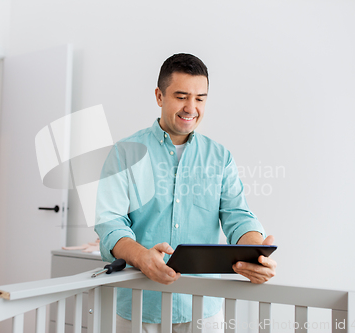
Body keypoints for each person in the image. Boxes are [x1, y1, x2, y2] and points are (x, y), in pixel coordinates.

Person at [94, 53, 276, 333]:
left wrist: (254, 252)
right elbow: (110, 222)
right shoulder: (124, 153)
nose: (191, 107)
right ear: (159, 96)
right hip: (139, 306)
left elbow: (237, 215)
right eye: (181, 96)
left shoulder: (220, 156)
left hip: (202, 309)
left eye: (200, 98)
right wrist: (142, 257)